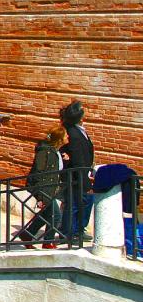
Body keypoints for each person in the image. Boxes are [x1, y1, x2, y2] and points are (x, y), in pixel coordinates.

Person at [18, 125, 66, 249]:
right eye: (66, 135)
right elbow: (38, 174)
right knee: (56, 215)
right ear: (60, 139)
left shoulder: (56, 151)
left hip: (50, 189)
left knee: (46, 214)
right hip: (43, 189)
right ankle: (47, 242)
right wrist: (40, 197)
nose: (68, 137)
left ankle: (27, 235)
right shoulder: (44, 152)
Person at [59, 100, 94, 239]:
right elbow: (77, 159)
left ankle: (78, 230)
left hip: (83, 173)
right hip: (75, 176)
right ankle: (68, 233)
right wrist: (85, 180)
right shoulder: (72, 133)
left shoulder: (78, 129)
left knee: (84, 202)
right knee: (73, 204)